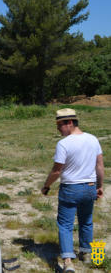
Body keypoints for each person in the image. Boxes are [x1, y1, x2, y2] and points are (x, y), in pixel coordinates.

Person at [41, 108, 104, 273]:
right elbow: (99, 165)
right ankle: (87, 253)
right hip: (89, 187)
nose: (58, 129)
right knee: (86, 221)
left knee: (65, 225)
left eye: (59, 125)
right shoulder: (93, 139)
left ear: (69, 123)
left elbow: (56, 170)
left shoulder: (64, 144)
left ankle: (68, 261)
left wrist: (46, 186)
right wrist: (99, 185)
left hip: (70, 188)